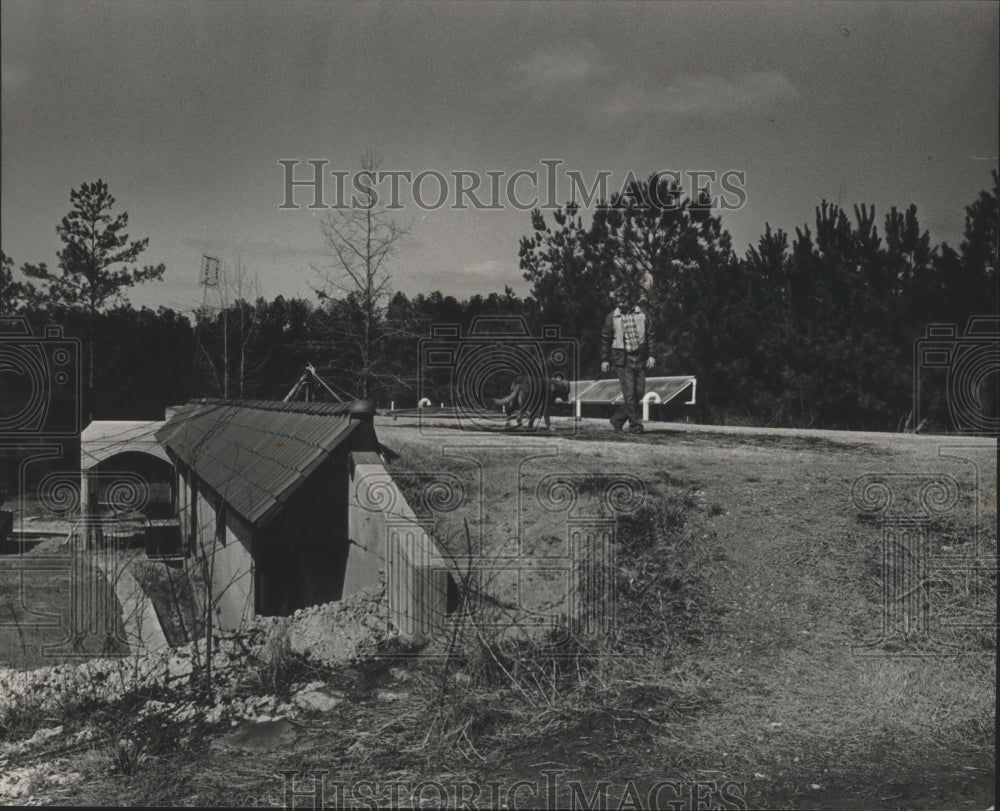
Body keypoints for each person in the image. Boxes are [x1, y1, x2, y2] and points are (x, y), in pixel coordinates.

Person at [600, 285, 655, 433]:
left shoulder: (643, 314)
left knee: (639, 393)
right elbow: (605, 339)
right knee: (629, 394)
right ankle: (636, 426)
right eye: (618, 301)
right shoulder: (612, 317)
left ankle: (617, 419)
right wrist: (605, 359)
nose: (620, 304)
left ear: (631, 300)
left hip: (640, 358)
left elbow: (650, 336)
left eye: (623, 301)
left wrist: (651, 355)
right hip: (623, 360)